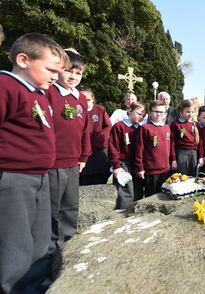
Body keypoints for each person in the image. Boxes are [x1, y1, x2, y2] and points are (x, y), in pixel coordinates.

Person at [0, 33, 67, 294]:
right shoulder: (7, 86)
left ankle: (34, 287)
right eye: (51, 69)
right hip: (14, 178)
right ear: (23, 59)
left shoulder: (39, 94)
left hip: (40, 177)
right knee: (14, 244)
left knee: (39, 242)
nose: (55, 76)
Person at [46, 49, 91, 257]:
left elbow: (85, 130)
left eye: (78, 73)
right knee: (52, 209)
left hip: (73, 163)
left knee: (71, 206)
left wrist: (84, 156)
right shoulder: (49, 93)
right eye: (68, 71)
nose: (73, 77)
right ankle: (52, 249)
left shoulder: (80, 99)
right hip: (52, 162)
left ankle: (70, 247)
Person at [136, 100, 177, 196]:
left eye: (161, 112)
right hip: (151, 171)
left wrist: (173, 159)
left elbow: (171, 146)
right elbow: (139, 150)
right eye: (156, 111)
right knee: (151, 198)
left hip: (166, 170)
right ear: (150, 112)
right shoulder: (145, 128)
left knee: (163, 197)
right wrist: (140, 167)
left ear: (165, 113)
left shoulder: (167, 128)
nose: (158, 114)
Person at [109, 102, 146, 208]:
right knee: (125, 189)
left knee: (138, 188)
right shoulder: (119, 126)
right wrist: (116, 166)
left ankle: (135, 213)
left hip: (137, 163)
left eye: (143, 115)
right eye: (139, 114)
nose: (141, 117)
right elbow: (113, 147)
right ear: (129, 111)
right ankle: (122, 215)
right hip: (123, 163)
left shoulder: (141, 128)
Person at [79, 87, 112, 185]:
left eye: (88, 99)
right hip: (82, 150)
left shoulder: (99, 109)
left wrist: (98, 139)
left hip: (98, 150)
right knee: (83, 179)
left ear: (93, 99)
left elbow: (108, 126)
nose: (85, 102)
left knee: (99, 178)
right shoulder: (76, 110)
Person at [170, 99, 204, 176]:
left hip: (193, 154)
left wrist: (201, 157)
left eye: (192, 112)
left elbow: (200, 142)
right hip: (181, 154)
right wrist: (173, 159)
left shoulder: (195, 124)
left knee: (193, 177)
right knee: (182, 178)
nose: (190, 114)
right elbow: (172, 143)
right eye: (187, 112)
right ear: (181, 112)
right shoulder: (175, 124)